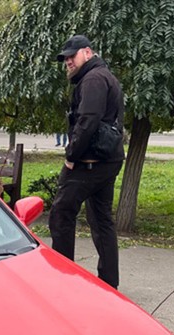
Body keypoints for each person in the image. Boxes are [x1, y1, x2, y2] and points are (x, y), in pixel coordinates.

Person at [48, 35, 125, 288]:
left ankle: (62, 281)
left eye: (72, 55)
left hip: (90, 162)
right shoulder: (103, 76)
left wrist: (71, 156)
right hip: (107, 160)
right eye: (66, 58)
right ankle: (109, 284)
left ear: (88, 53)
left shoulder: (92, 79)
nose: (68, 61)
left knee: (61, 214)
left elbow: (88, 121)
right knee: (101, 220)